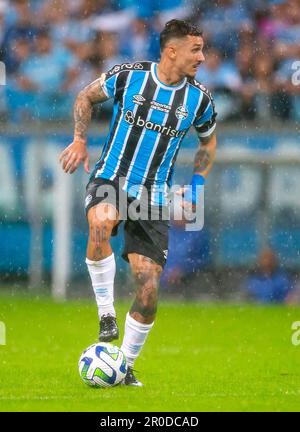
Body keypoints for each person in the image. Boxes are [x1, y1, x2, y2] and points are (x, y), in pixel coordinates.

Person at [59, 19, 217, 386]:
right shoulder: (130, 77)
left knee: (148, 293)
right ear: (171, 50)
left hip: (154, 196)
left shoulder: (199, 99)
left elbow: (208, 143)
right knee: (100, 223)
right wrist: (80, 139)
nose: (203, 57)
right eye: (196, 49)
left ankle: (124, 368)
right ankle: (105, 316)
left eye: (203, 49)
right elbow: (85, 95)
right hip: (111, 178)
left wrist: (195, 185)